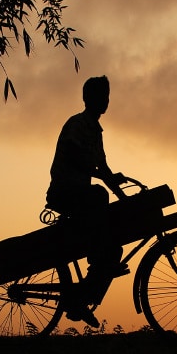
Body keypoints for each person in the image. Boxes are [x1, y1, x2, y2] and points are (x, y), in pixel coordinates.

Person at [46, 75, 127, 327]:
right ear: (87, 99)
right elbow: (75, 157)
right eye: (99, 96)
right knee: (99, 196)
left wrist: (123, 195)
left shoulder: (96, 131)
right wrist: (102, 176)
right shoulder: (77, 124)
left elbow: (103, 167)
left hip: (80, 195)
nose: (104, 101)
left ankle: (83, 298)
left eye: (106, 96)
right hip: (64, 193)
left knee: (114, 250)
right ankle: (95, 259)